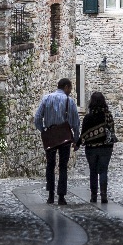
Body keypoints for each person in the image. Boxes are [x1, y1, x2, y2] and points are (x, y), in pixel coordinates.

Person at [34, 78, 80, 206]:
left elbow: (37, 118)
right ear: (66, 87)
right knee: (63, 166)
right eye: (70, 88)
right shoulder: (69, 101)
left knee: (50, 165)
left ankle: (50, 195)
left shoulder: (46, 98)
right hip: (64, 136)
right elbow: (75, 122)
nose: (70, 91)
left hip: (51, 135)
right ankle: (61, 196)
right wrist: (76, 139)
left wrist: (43, 130)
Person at [77, 91, 116, 203]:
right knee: (103, 171)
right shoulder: (108, 116)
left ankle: (94, 196)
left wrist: (77, 144)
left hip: (91, 148)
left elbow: (83, 134)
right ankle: (103, 195)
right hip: (106, 148)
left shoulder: (88, 118)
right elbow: (112, 132)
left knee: (93, 171)